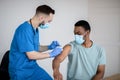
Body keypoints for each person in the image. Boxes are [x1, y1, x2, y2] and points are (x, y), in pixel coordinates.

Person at [9, 5, 62, 80]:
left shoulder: (35, 29)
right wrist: (51, 54)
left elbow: (37, 48)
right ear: (41, 18)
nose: (48, 24)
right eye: (48, 21)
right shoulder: (24, 29)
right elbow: (31, 55)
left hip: (32, 68)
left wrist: (50, 46)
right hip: (20, 70)